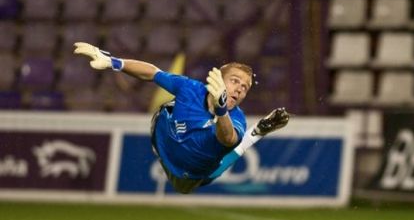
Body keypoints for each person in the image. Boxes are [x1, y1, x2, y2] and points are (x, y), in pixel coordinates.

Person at [73, 42, 289, 193]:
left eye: (245, 87)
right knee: (170, 106)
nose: (240, 89)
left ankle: (257, 132)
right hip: (163, 135)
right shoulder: (190, 88)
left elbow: (229, 139)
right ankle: (255, 132)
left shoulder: (237, 119)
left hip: (189, 176)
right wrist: (113, 62)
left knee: (221, 158)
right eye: (235, 81)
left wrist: (221, 109)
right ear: (218, 79)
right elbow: (152, 73)